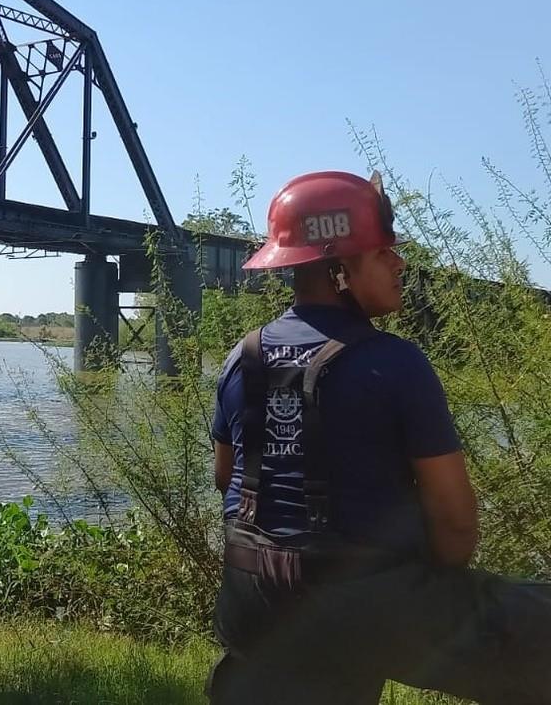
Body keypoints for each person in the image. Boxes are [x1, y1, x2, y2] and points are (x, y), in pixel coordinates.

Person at [207, 170, 551, 704]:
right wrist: (423, 585)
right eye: (384, 251)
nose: (400, 263)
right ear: (339, 270)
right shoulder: (396, 363)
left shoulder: (241, 356)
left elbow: (226, 477)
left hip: (249, 599)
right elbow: (457, 525)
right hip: (362, 605)